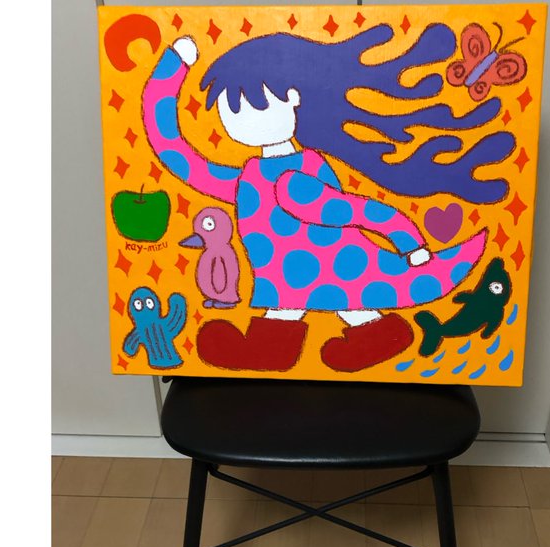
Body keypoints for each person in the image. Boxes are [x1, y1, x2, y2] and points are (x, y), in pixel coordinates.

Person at [142, 28, 498, 372]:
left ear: (293, 97)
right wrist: (173, 67)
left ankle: (370, 335)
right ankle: (372, 333)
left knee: (330, 300)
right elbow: (177, 153)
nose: (242, 121)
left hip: (336, 269)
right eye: (230, 110)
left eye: (253, 105)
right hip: (292, 279)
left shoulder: (295, 181)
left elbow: (354, 210)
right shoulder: (249, 178)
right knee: (315, 304)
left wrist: (409, 241)